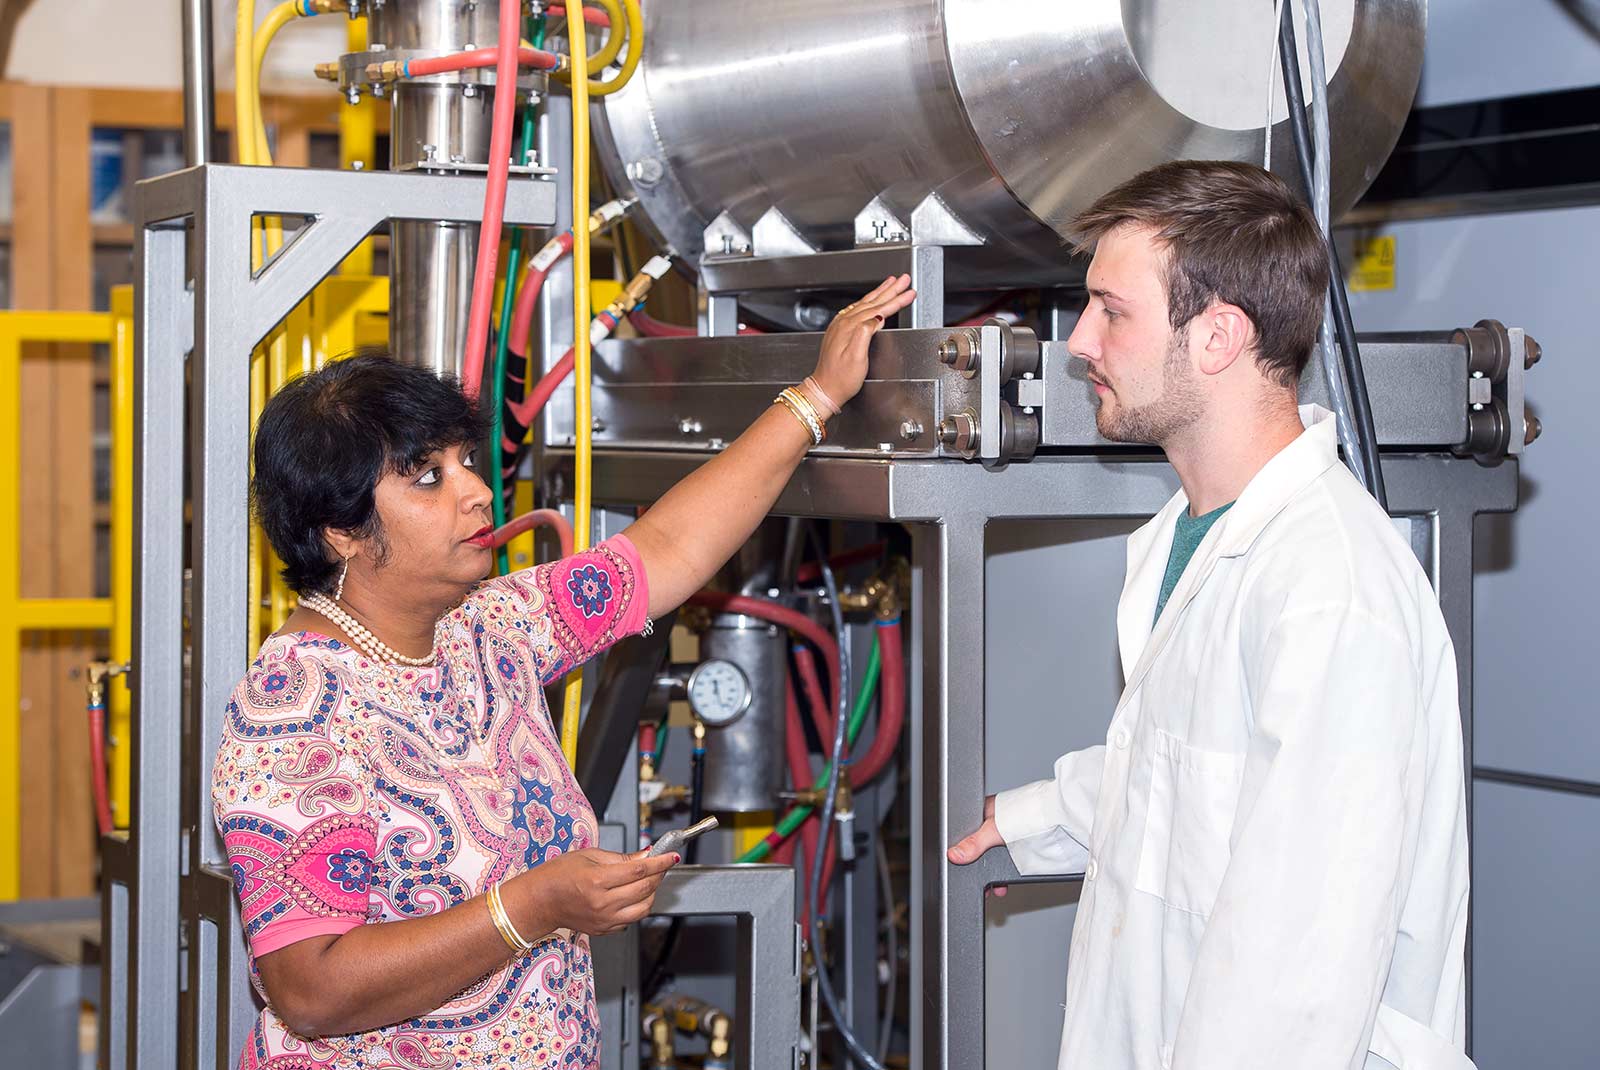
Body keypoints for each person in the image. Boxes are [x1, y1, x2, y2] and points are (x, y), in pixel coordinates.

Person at [213, 276, 917, 1069]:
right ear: (340, 529)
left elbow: (669, 550)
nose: (477, 491)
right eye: (427, 477)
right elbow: (310, 989)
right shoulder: (293, 710)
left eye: (463, 461)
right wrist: (533, 905)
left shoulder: (488, 627)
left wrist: (817, 395)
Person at [948, 161, 1472, 1070]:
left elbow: (1298, 977)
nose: (1079, 342)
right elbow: (1187, 783)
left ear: (1219, 336)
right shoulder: (1183, 537)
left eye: (1113, 310)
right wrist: (1037, 815)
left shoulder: (1329, 588)